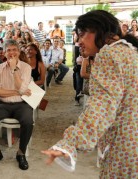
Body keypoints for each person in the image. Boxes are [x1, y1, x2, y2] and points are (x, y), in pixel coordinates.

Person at [42, 10, 138, 178]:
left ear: (99, 29)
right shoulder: (130, 52)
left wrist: (70, 142)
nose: (78, 42)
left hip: (126, 148)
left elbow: (101, 107)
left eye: (81, 34)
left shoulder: (108, 54)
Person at [0, 39, 33, 170]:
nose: (12, 53)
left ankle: (21, 153)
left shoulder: (26, 67)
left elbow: (23, 89)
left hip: (22, 104)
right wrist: (17, 92)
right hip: (3, 105)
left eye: (14, 50)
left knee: (28, 122)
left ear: (19, 52)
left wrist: (14, 69)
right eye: (9, 50)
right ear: (4, 53)